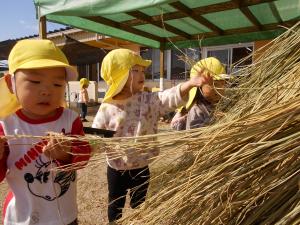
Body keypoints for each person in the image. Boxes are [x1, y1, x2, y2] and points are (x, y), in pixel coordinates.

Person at [92, 48, 212, 223]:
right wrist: (89, 145)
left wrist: (190, 84)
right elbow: (96, 136)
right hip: (117, 168)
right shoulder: (107, 108)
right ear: (119, 76)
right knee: (115, 204)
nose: (142, 75)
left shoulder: (147, 100)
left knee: (139, 205)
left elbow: (167, 98)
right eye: (135, 70)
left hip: (141, 166)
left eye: (143, 71)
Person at [0, 39, 91, 225]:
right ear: (11, 83)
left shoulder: (70, 119)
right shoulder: (6, 126)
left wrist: (67, 155)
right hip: (22, 218)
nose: (46, 91)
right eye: (35, 81)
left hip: (64, 216)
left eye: (57, 85)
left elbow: (84, 156)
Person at [172, 57, 230, 130]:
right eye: (215, 84)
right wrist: (216, 121)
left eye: (223, 84)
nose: (220, 89)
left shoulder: (219, 105)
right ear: (199, 86)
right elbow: (194, 136)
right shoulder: (196, 110)